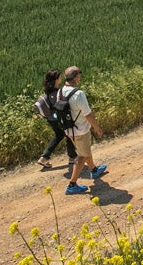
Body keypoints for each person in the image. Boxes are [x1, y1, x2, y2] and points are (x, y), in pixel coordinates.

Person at [59, 65, 107, 195]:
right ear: (76, 77)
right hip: (80, 130)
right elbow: (88, 114)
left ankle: (94, 170)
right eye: (79, 73)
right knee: (82, 155)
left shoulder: (61, 91)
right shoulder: (78, 94)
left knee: (84, 149)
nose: (80, 75)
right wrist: (97, 129)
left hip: (69, 130)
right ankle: (72, 184)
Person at [33, 69, 77, 170]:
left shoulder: (48, 91)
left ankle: (44, 157)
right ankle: (72, 157)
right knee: (68, 132)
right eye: (60, 77)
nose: (61, 79)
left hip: (50, 118)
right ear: (56, 80)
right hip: (57, 119)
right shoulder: (56, 92)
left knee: (59, 135)